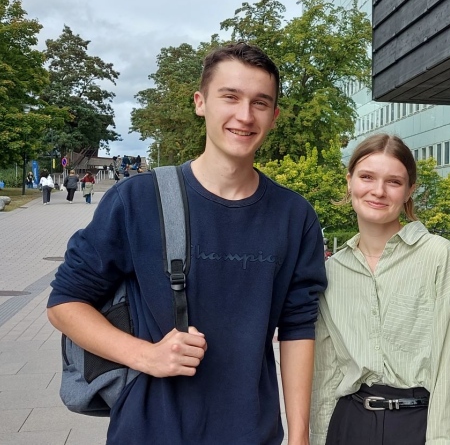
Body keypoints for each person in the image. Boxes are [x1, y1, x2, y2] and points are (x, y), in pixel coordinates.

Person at [47, 42, 328, 444]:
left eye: (260, 103)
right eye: (230, 97)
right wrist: (146, 355)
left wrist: (299, 436)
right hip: (148, 430)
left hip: (252, 431)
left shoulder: (293, 215)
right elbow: (64, 304)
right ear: (201, 102)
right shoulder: (138, 199)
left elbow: (299, 326)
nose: (244, 115)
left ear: (274, 115)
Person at [310, 134, 450, 445]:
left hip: (418, 424)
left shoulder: (436, 256)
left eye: (394, 182)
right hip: (349, 423)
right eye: (367, 177)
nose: (378, 191)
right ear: (349, 181)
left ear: (410, 190)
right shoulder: (333, 270)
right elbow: (326, 371)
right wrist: (319, 438)